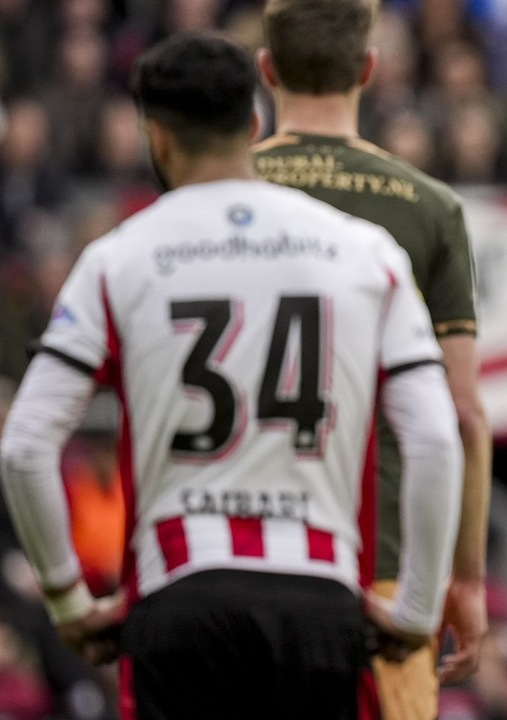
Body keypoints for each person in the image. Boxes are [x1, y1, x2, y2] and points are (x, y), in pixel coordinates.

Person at [0, 33, 463, 719]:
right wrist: (418, 609)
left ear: (155, 137)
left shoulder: (118, 256)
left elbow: (25, 444)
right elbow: (434, 440)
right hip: (319, 599)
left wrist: (70, 603)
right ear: (254, 122)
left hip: (180, 595)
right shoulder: (365, 253)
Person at [252, 2, 491, 716]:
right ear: (369, 69)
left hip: (234, 552)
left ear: (267, 70)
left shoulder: (212, 196)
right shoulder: (430, 207)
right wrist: (466, 579)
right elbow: (465, 417)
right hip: (379, 567)